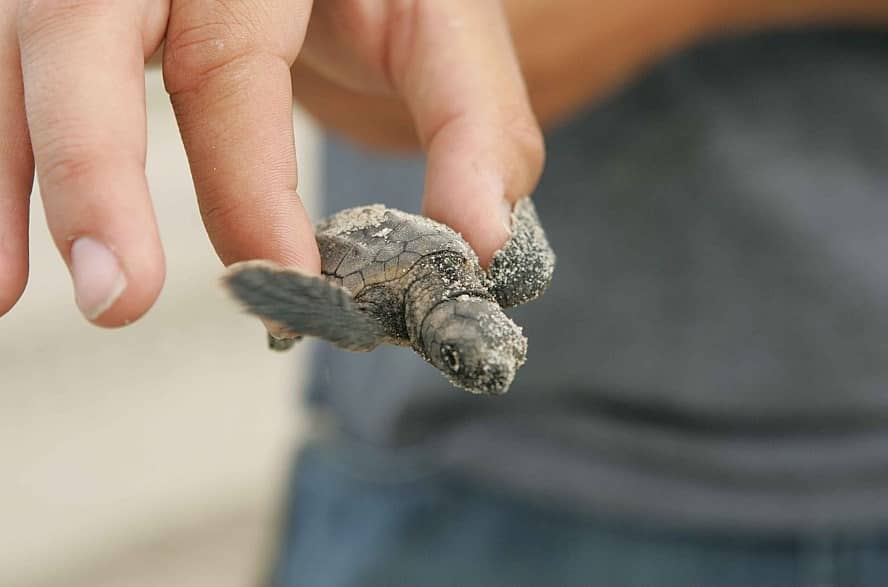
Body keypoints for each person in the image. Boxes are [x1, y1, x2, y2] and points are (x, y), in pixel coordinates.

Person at [3, 1, 888, 586]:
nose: (488, 357)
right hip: (470, 480)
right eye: (481, 349)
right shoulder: (452, 287)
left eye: (481, 354)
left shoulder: (455, 297)